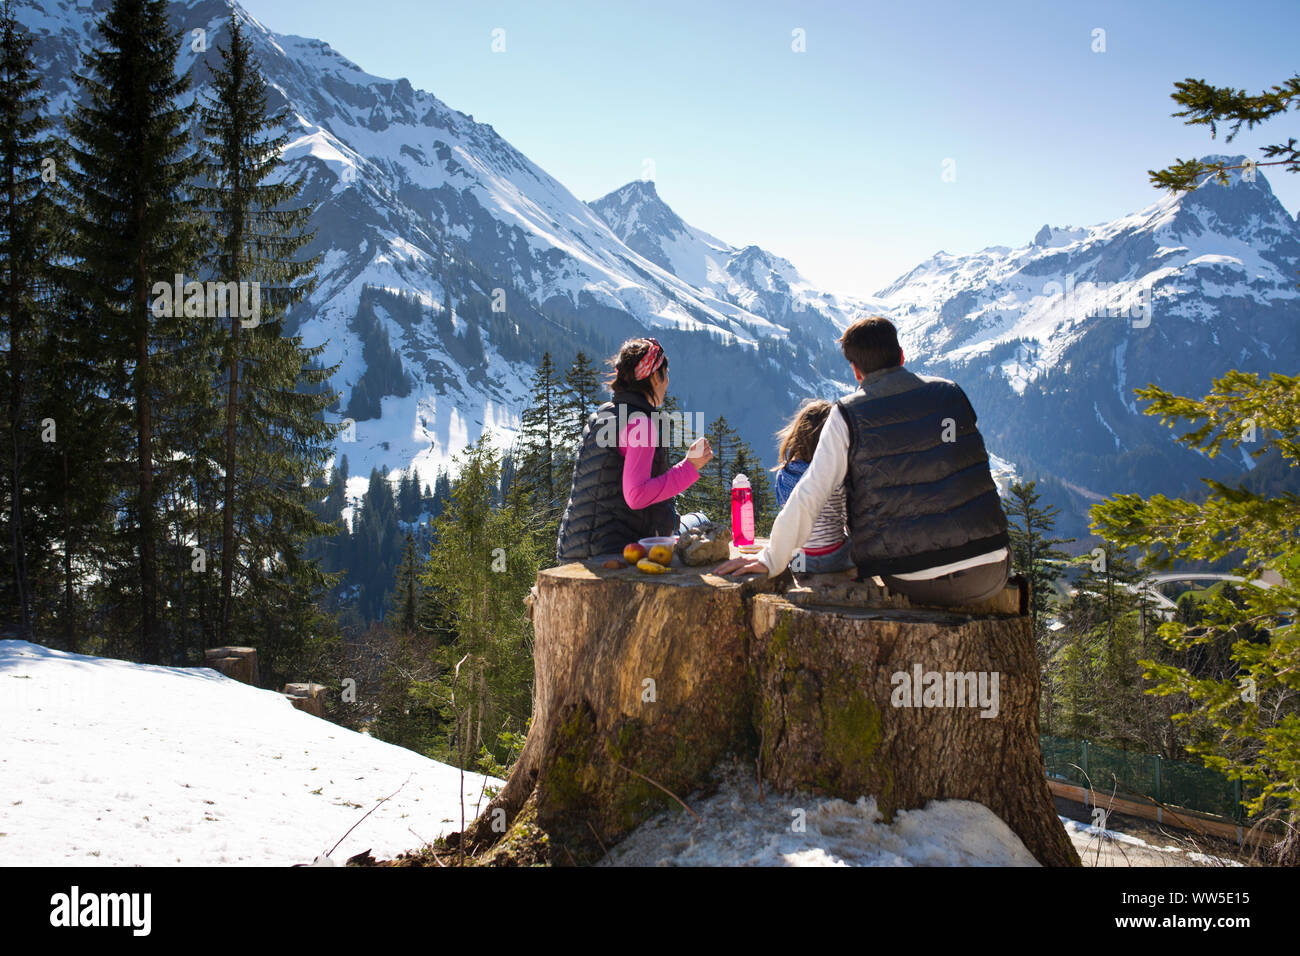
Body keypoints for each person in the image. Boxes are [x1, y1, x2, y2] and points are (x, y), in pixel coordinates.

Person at [716, 316, 1010, 607]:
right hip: (991, 568)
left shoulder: (848, 413)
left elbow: (810, 493)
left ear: (856, 371)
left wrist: (771, 558)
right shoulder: (951, 393)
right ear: (902, 356)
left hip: (911, 576)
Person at [556, 337, 713, 559]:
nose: (667, 383)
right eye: (665, 375)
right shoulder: (641, 424)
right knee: (702, 522)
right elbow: (636, 495)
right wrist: (690, 466)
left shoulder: (602, 415)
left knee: (692, 522)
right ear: (654, 377)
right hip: (615, 555)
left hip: (574, 551)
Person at [771, 400, 854, 574]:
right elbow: (848, 518)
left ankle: (799, 573)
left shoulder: (784, 475)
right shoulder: (835, 474)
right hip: (834, 557)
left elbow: (787, 515)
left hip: (800, 560)